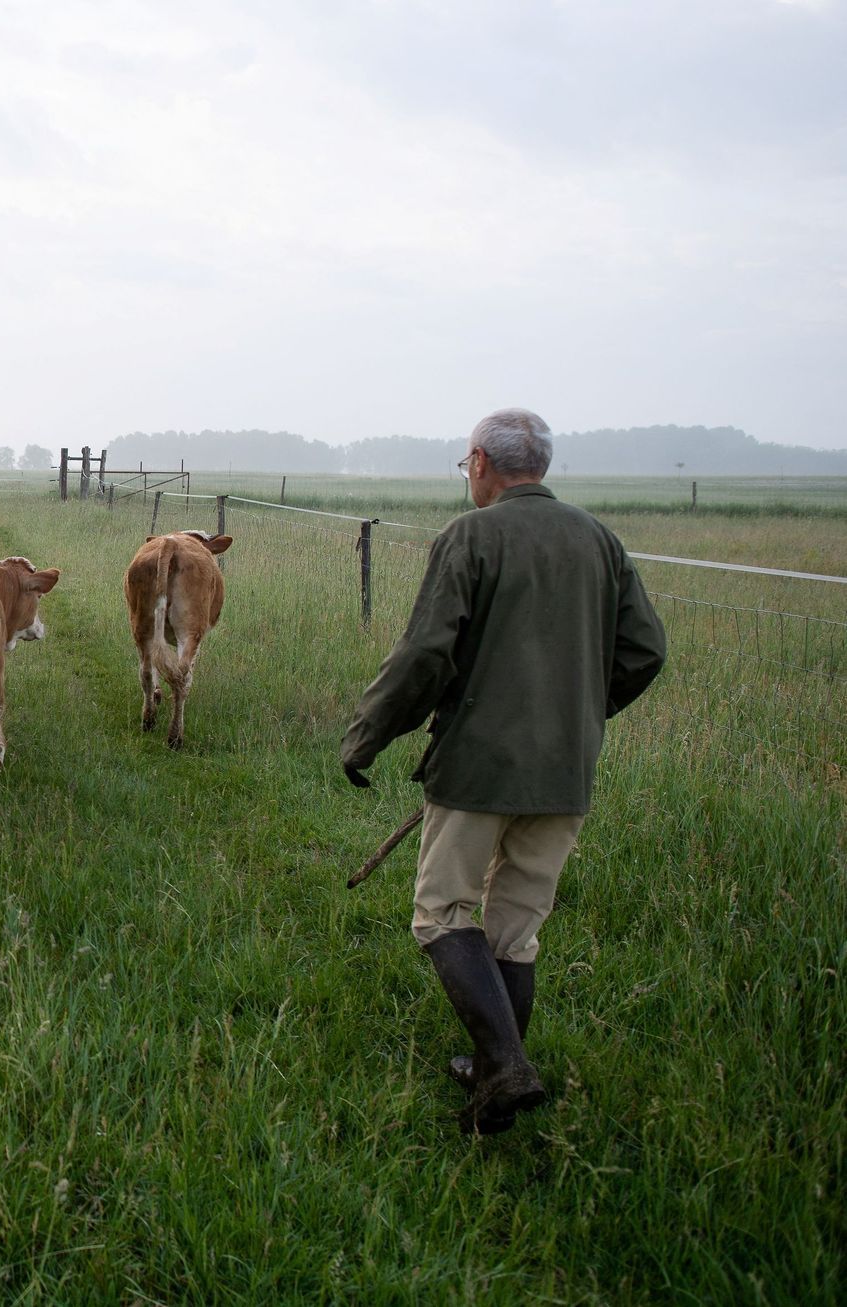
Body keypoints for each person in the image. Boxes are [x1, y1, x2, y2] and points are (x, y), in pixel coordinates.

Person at [341, 408, 667, 1135]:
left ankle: (505, 1065)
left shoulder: (470, 536)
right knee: (514, 928)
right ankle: (493, 1069)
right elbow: (645, 651)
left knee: (439, 911)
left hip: (478, 767)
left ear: (481, 462)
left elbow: (425, 654)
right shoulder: (599, 540)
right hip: (565, 770)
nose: (468, 475)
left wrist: (364, 738)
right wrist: (577, 715)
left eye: (465, 464)